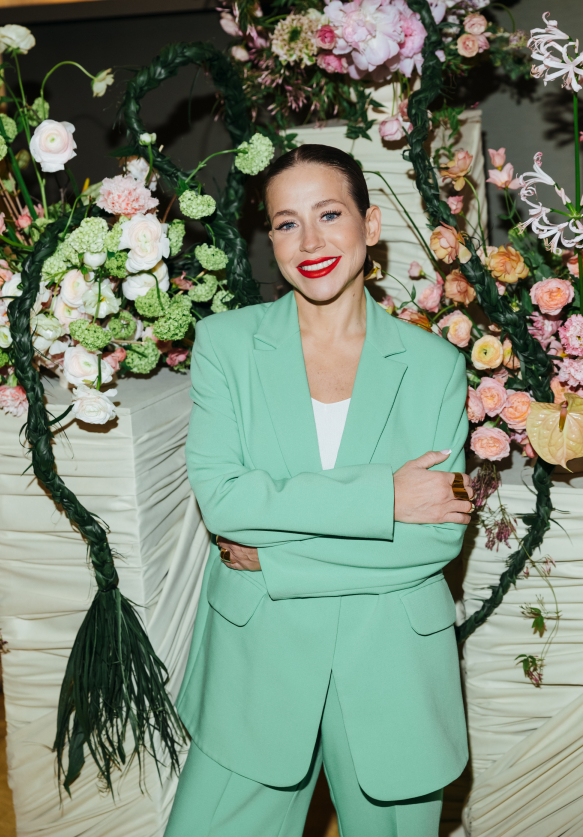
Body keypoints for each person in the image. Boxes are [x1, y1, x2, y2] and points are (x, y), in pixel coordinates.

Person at [165, 144, 473, 837]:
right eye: (286, 223)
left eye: (329, 214)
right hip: (257, 663)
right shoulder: (226, 345)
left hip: (391, 664)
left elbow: (435, 539)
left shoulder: (434, 365)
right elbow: (226, 502)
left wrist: (278, 558)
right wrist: (383, 498)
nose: (309, 242)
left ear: (371, 224)